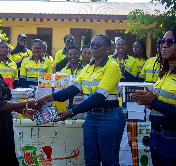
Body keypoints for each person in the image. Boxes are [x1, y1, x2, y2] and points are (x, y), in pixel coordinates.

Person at [37, 34, 126, 166]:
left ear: (108, 48)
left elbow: (98, 97)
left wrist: (71, 111)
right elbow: (72, 89)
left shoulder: (112, 66)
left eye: (99, 44)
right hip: (91, 117)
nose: (94, 47)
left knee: (109, 161)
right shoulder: (87, 68)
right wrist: (50, 97)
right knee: (90, 160)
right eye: (92, 44)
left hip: (109, 117)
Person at [130, 26, 176, 166]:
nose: (164, 45)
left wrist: (153, 101)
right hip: (157, 135)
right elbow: (163, 102)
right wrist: (148, 100)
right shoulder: (166, 74)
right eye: (162, 42)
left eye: (170, 41)